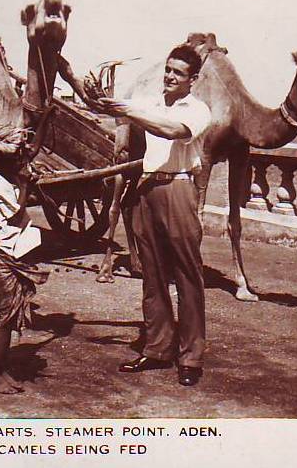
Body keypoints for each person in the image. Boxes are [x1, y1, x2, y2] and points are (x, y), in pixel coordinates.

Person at [88, 44, 211, 386]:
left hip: (178, 189)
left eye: (179, 72)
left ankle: (190, 357)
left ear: (193, 79)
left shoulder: (198, 110)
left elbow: (170, 130)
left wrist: (126, 109)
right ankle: (158, 349)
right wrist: (99, 96)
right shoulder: (150, 102)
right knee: (152, 275)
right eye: (168, 69)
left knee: (187, 276)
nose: (170, 76)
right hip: (147, 190)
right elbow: (104, 107)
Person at [0, 140, 50, 394]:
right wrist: (25, 184)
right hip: (0, 256)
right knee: (6, 316)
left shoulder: (6, 182)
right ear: (10, 167)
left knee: (9, 318)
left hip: (8, 254)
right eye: (21, 163)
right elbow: (17, 215)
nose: (25, 165)